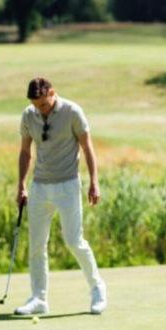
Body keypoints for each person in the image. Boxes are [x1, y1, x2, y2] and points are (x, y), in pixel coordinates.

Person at [14, 76, 107, 317]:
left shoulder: (72, 111)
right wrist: (21, 185)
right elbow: (25, 151)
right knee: (36, 245)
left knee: (74, 241)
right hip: (39, 187)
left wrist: (94, 182)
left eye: (43, 104)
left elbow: (88, 147)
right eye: (36, 105)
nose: (40, 109)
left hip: (68, 184)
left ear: (52, 93)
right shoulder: (28, 115)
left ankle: (98, 289)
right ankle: (38, 298)